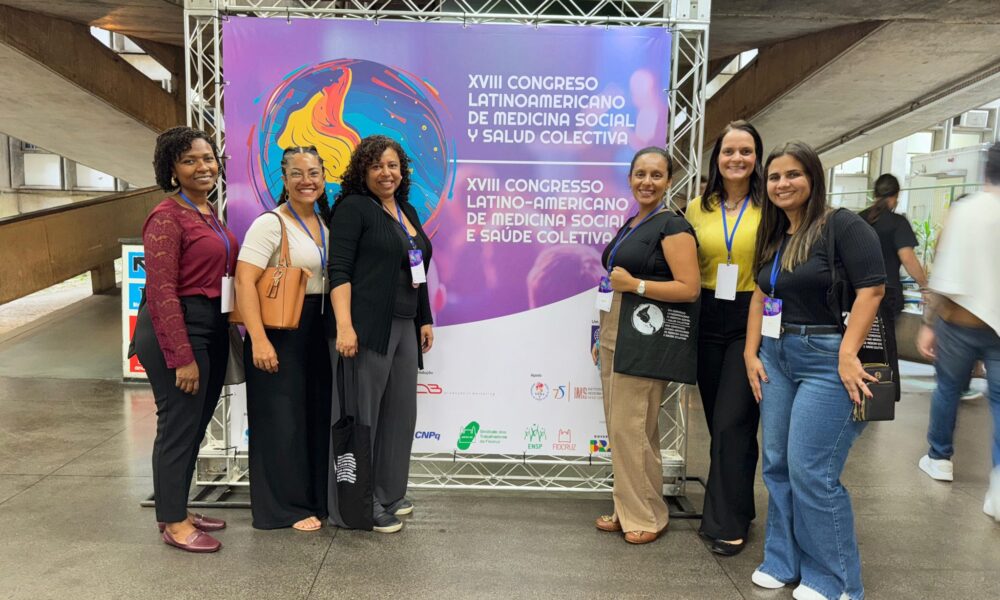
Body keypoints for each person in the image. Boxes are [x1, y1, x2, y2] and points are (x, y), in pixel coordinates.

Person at [745, 141, 885, 600]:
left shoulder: (842, 225)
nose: (782, 184)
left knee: (812, 470)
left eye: (793, 174)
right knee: (778, 465)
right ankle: (783, 561)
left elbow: (872, 291)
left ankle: (835, 580)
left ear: (813, 178)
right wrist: (751, 352)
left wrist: (847, 354)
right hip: (776, 356)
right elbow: (761, 295)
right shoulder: (775, 233)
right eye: (774, 177)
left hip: (827, 358)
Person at [132, 126, 239, 553]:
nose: (203, 167)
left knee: (193, 424)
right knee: (177, 425)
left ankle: (177, 507)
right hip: (177, 328)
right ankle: (173, 522)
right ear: (172, 169)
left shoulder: (206, 211)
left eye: (208, 158)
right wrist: (181, 356)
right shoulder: (166, 217)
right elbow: (161, 291)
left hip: (210, 325)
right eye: (190, 160)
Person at [591, 147, 700, 544]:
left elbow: (688, 288)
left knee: (633, 428)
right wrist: (600, 334)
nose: (647, 182)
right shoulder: (634, 223)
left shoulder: (673, 226)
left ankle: (646, 517)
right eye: (640, 174)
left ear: (669, 181)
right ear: (630, 178)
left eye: (656, 175)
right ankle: (629, 508)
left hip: (643, 336)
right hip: (616, 331)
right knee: (624, 430)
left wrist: (635, 285)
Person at [327, 135, 434, 534]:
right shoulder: (353, 209)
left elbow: (418, 270)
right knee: (363, 415)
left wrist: (424, 318)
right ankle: (359, 502)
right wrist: (344, 326)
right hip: (366, 327)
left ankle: (389, 492)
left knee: (400, 414)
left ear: (402, 170)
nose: (386, 173)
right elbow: (339, 270)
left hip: (405, 324)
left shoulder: (406, 209)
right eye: (376, 166)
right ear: (362, 171)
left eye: (392, 165)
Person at [235, 146, 333, 531]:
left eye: (313, 173)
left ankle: (311, 499)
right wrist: (258, 339)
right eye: (297, 173)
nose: (306, 181)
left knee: (311, 418)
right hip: (279, 331)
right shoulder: (271, 224)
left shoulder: (325, 222)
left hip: (317, 330)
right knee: (280, 421)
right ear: (285, 179)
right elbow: (244, 281)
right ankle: (281, 509)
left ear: (324, 177)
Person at [684, 120, 764, 556]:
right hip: (707, 314)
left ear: (757, 157)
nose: (737, 158)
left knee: (735, 419)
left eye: (745, 151)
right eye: (729, 151)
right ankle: (738, 506)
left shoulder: (769, 206)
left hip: (750, 314)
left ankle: (727, 522)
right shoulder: (697, 208)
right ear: (717, 159)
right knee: (721, 423)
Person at [916, 142, 1000, 520]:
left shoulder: (965, 211)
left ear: (985, 170)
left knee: (948, 389)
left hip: (958, 321)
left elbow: (944, 270)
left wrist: (929, 324)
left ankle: (940, 458)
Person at [859, 173, 928, 404]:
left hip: (858, 293)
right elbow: (908, 258)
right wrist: (925, 286)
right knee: (886, 345)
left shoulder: (859, 219)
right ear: (896, 196)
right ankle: (883, 395)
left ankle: (858, 387)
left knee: (859, 342)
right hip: (887, 295)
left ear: (874, 194)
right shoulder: (897, 223)